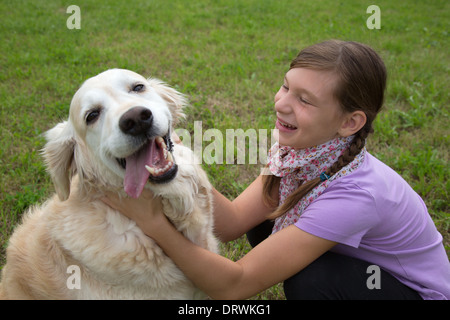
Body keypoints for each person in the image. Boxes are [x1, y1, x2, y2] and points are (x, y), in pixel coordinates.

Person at [103, 40, 450, 300]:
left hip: (413, 293)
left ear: (349, 122)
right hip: (360, 267)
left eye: (305, 100)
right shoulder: (302, 153)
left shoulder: (356, 195)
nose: (281, 103)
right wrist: (178, 163)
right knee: (265, 222)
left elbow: (233, 286)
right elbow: (233, 222)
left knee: (311, 282)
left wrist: (153, 224)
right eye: (286, 86)